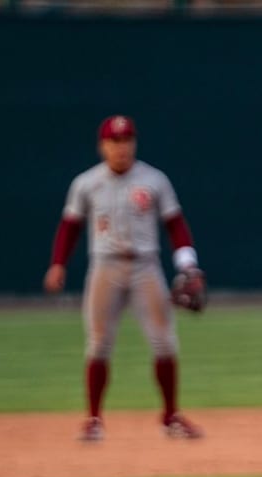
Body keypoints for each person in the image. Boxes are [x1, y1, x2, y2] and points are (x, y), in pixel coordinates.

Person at [44, 114, 205, 442]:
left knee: (164, 342)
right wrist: (58, 263)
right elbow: (70, 227)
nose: (122, 147)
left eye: (127, 140)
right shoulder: (87, 183)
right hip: (105, 267)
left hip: (145, 266)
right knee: (99, 344)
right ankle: (93, 420)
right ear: (102, 145)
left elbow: (175, 224)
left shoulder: (154, 180)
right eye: (115, 141)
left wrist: (187, 264)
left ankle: (171, 417)